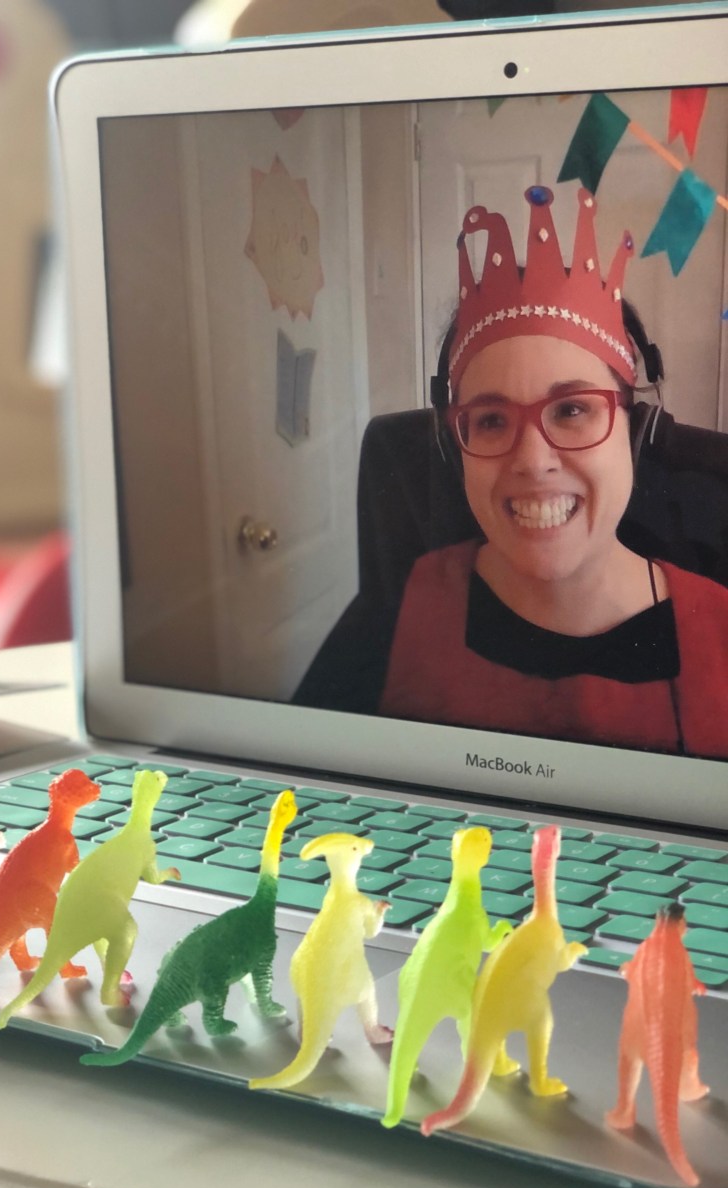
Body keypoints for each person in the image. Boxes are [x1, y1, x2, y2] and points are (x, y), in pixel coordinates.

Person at [299, 185, 728, 759]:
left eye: (572, 410)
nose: (531, 459)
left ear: (632, 428)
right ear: (455, 446)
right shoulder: (398, 609)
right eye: (492, 419)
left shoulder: (720, 633)